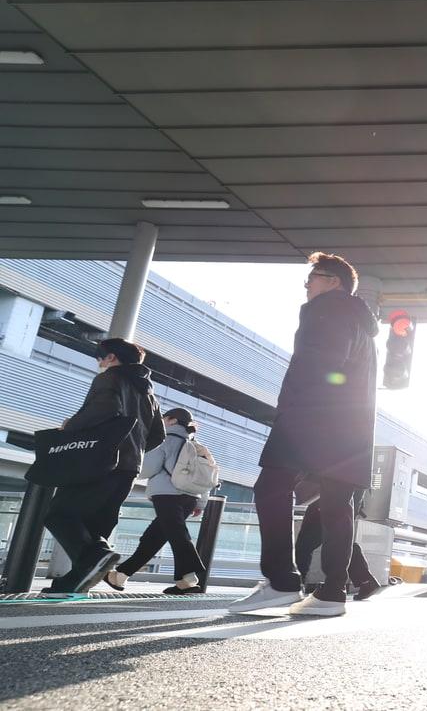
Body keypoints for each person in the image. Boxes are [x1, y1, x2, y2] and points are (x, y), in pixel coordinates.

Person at [229, 252, 378, 618]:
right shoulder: (362, 322)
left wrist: (293, 411)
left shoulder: (326, 309)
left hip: (312, 418)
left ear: (334, 282)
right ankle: (331, 592)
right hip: (352, 427)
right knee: (336, 506)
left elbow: (321, 364)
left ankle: (280, 580)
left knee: (271, 487)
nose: (308, 286)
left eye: (313, 278)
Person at [43, 337, 164, 594]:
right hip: (130, 467)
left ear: (111, 358)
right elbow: (157, 435)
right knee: (95, 524)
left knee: (59, 514)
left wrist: (70, 426)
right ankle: (73, 583)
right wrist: (134, 448)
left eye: (100, 357)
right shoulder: (148, 392)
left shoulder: (111, 377)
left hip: (101, 462)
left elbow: (103, 409)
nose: (99, 363)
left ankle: (100, 554)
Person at [105, 407, 209, 594]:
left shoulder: (164, 440)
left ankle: (190, 578)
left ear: (173, 421)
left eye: (164, 418)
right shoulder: (197, 446)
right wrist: (201, 503)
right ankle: (120, 576)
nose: (161, 421)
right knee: (153, 538)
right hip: (190, 498)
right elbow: (206, 477)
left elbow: (147, 469)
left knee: (177, 535)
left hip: (167, 495)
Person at [293, 480, 382, 602]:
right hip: (349, 488)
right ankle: (365, 580)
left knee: (307, 542)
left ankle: (295, 587)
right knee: (340, 537)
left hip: (333, 487)